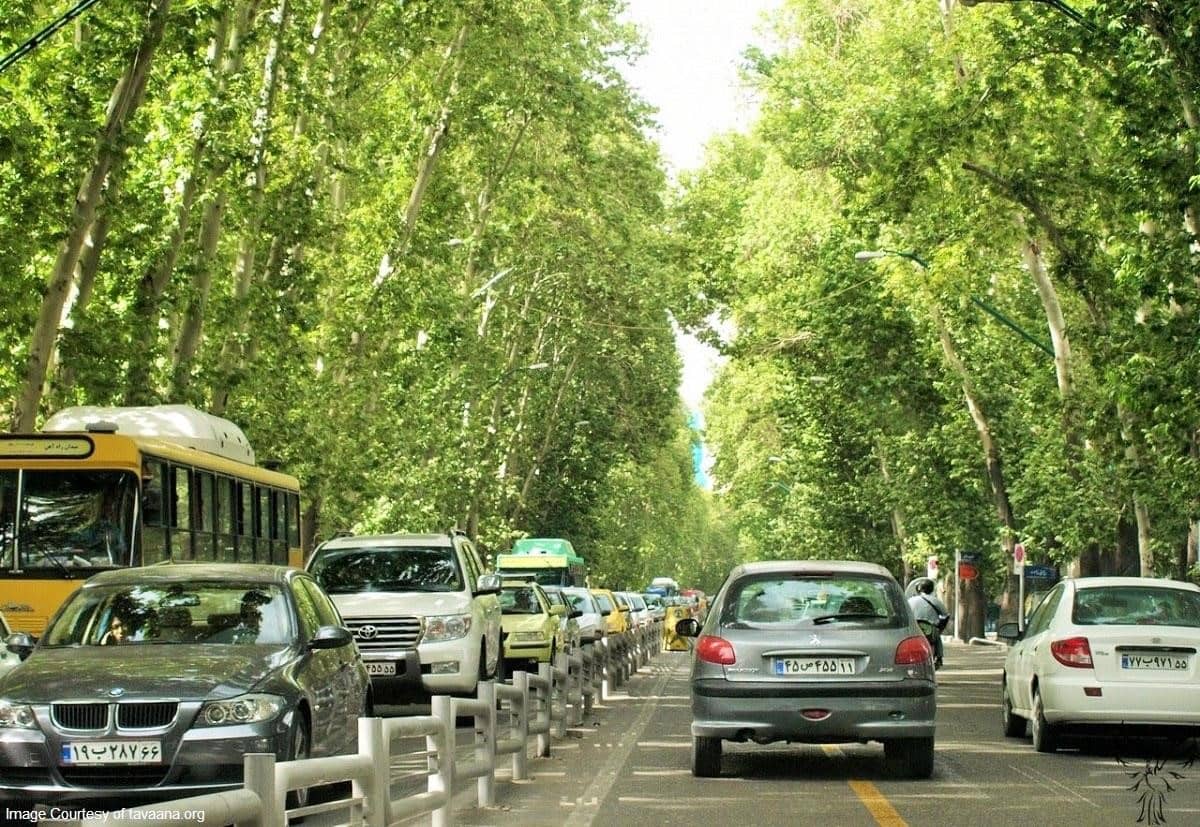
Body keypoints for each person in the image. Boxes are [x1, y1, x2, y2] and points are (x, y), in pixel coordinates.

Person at [908, 579, 948, 669]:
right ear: (931, 589)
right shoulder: (935, 601)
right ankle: (939, 657)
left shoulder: (910, 600)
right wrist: (940, 628)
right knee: (937, 638)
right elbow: (945, 615)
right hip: (930, 630)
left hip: (913, 629)